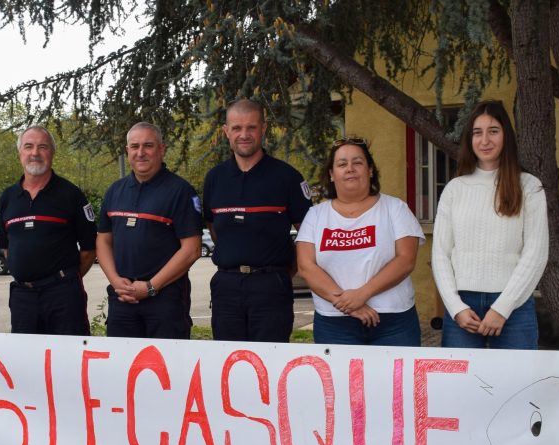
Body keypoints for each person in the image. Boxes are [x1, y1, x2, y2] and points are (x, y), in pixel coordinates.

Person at [432, 100, 549, 349]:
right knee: (459, 387)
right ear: (469, 139)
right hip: (462, 307)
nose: (485, 140)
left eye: (493, 131)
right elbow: (441, 253)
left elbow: (535, 254)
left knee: (516, 386)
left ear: (506, 136)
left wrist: (502, 308)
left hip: (513, 305)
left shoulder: (529, 186)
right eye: (477, 132)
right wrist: (455, 308)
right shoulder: (455, 189)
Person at [202, 99, 313, 342]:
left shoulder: (287, 177)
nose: (244, 134)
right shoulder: (215, 178)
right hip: (226, 286)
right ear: (226, 132)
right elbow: (214, 228)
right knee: (228, 363)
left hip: (272, 286)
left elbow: (308, 235)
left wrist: (284, 272)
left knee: (271, 366)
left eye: (251, 127)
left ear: (263, 129)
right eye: (237, 128)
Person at [295, 138, 425, 346]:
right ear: (331, 174)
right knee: (340, 380)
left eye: (357, 162)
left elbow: (406, 260)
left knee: (396, 380)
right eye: (342, 164)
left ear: (370, 170)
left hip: (393, 322)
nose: (350, 169)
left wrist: (363, 294)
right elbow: (306, 266)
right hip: (334, 324)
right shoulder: (316, 215)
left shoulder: (395, 208)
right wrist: (349, 304)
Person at [96, 122, 203, 339]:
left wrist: (151, 287)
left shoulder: (180, 191)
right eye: (134, 146)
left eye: (148, 146)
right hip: (123, 298)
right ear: (127, 151)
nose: (140, 152)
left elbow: (192, 249)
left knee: (168, 369)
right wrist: (115, 280)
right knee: (123, 367)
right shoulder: (115, 191)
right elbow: (103, 241)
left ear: (161, 149)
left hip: (165, 300)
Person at [0, 126, 98, 335]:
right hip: (22, 298)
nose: (35, 153)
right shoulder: (7, 198)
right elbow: (6, 247)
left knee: (70, 359)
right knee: (26, 361)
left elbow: (89, 249)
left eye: (42, 147)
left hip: (63, 297)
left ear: (52, 153)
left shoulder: (71, 195)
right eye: (29, 146)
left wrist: (64, 280)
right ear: (20, 154)